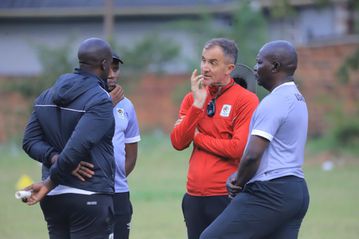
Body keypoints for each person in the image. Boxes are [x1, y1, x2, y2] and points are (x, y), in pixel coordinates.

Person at [200, 40, 310, 239]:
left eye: (260, 63)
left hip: (270, 191)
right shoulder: (297, 98)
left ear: (275, 66)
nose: (255, 68)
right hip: (296, 191)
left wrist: (238, 181)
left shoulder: (274, 102)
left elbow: (253, 154)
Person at [22, 37, 115, 239]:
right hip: (88, 194)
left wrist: (54, 159)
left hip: (54, 199)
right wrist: (49, 182)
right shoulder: (100, 99)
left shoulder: (46, 95)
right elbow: (76, 148)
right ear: (105, 64)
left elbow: (30, 142)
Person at [170, 38, 259, 239]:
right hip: (193, 196)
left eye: (213, 62)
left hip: (225, 195)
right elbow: (178, 142)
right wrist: (197, 105)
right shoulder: (192, 98)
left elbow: (237, 148)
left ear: (229, 68)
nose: (205, 68)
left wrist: (198, 138)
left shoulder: (246, 100)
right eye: (203, 61)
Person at [108, 53, 141, 239]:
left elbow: (131, 156)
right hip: (90, 192)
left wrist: (115, 178)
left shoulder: (126, 106)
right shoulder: (82, 102)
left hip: (119, 191)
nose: (112, 74)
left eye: (116, 68)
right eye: (107, 68)